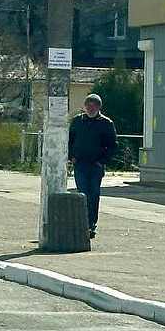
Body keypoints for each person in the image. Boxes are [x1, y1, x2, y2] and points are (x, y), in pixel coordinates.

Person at [68, 93, 117, 238]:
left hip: (96, 166)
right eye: (88, 105)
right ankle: (82, 223)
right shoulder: (77, 121)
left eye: (94, 105)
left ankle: (91, 224)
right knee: (82, 194)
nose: (90, 108)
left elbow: (112, 146)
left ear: (99, 107)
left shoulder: (106, 123)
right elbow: (69, 140)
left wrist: (102, 161)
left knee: (94, 194)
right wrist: (71, 156)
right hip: (80, 164)